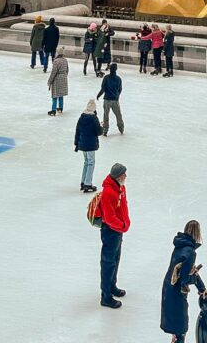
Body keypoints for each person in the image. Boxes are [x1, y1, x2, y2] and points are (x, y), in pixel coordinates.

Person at [160, 220, 207, 342]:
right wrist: (197, 284)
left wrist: (201, 288)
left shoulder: (179, 245)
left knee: (176, 332)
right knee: (180, 331)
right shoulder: (190, 252)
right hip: (176, 294)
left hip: (168, 289)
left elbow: (188, 271)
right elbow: (185, 278)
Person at [96, 162, 130, 309]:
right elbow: (109, 218)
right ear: (118, 176)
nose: (126, 176)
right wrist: (122, 225)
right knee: (108, 262)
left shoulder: (120, 187)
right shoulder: (109, 192)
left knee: (115, 260)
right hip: (111, 231)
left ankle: (112, 286)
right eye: (124, 174)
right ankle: (106, 295)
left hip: (118, 230)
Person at [74, 99, 102, 193]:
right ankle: (87, 183)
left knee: (86, 162)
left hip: (82, 144)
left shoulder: (82, 117)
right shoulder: (94, 118)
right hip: (90, 145)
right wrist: (101, 125)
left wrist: (76, 143)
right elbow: (99, 132)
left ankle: (83, 181)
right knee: (91, 162)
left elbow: (77, 131)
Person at [97, 62, 125, 136]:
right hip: (115, 99)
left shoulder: (106, 78)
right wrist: (117, 95)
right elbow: (120, 89)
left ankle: (105, 130)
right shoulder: (119, 79)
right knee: (118, 115)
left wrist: (98, 95)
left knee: (106, 115)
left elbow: (103, 89)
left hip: (107, 99)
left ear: (110, 69)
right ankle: (121, 128)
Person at [47, 46, 69, 116]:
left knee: (55, 95)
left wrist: (50, 81)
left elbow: (54, 72)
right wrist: (64, 76)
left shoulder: (56, 61)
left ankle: (53, 110)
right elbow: (67, 70)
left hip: (57, 79)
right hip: (64, 78)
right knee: (61, 95)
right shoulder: (65, 60)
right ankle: (60, 108)